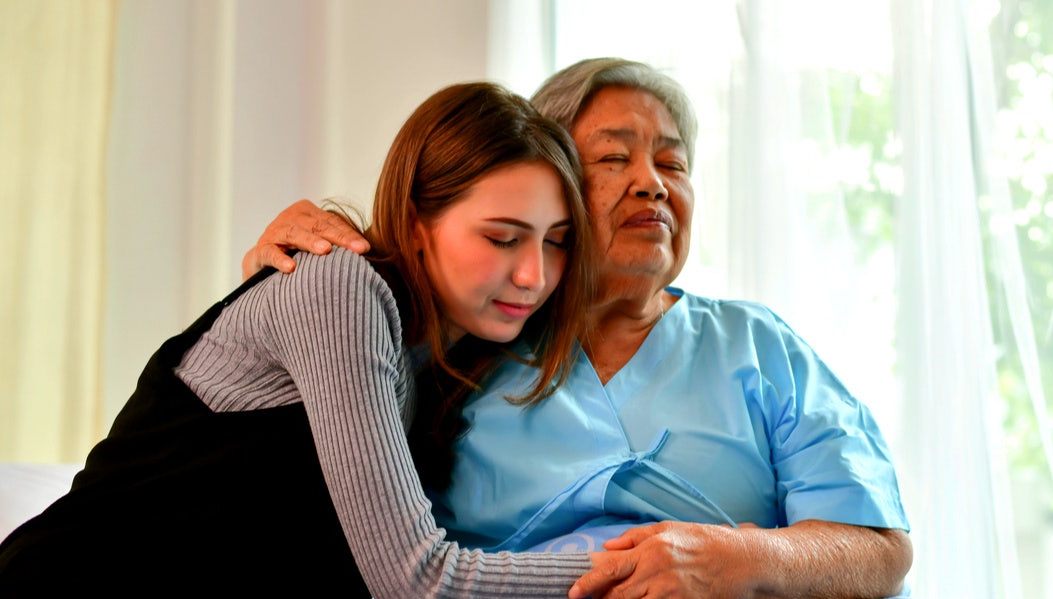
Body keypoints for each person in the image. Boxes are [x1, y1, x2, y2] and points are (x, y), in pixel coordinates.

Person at [246, 58, 914, 598]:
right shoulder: (458, 353)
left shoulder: (760, 346)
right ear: (550, 185)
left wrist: (740, 556)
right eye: (615, 159)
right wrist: (277, 275)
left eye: (673, 164)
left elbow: (882, 551)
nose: (652, 183)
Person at [0, 82, 602, 598]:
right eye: (502, 237)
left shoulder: (455, 354)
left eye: (557, 239)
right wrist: (651, 568)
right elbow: (418, 579)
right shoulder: (339, 287)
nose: (535, 274)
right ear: (414, 223)